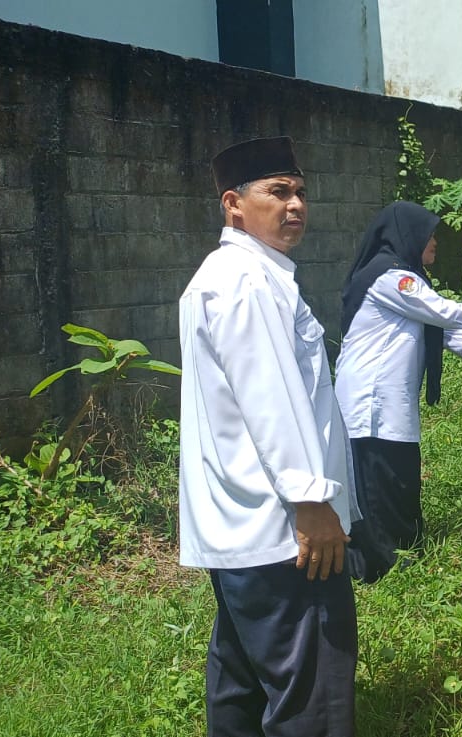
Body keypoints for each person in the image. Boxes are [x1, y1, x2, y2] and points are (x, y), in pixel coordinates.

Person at [178, 136, 358, 735]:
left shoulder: (233, 275)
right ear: (234, 204)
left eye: (300, 192)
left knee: (239, 681)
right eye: (278, 192)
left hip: (243, 528)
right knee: (312, 695)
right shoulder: (247, 281)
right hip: (286, 533)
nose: (296, 205)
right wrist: (312, 500)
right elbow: (271, 401)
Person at [336, 201, 462, 584]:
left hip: (389, 399)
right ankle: (382, 568)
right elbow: (446, 313)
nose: (435, 243)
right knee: (379, 479)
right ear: (408, 235)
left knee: (399, 474)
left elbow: (444, 329)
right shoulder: (390, 278)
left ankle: (405, 554)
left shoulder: (407, 278)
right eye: (430, 235)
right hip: (371, 400)